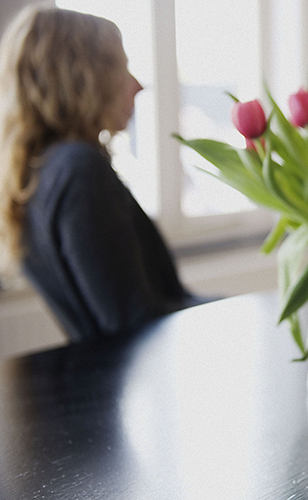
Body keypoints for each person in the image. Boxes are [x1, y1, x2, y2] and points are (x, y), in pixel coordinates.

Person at [0, 7, 206, 342]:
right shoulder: (78, 171)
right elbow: (135, 327)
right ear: (81, 78)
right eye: (123, 68)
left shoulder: (34, 174)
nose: (138, 85)